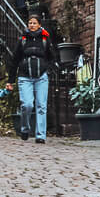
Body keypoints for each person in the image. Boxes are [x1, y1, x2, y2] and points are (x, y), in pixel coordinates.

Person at [8, 14, 59, 144]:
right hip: (25, 77)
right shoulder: (22, 40)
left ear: (39, 25)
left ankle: (40, 135)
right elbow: (14, 60)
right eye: (30, 23)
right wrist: (10, 80)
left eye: (34, 23)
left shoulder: (45, 40)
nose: (32, 25)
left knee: (41, 106)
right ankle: (25, 128)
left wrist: (48, 68)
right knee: (27, 104)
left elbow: (52, 57)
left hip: (41, 77)